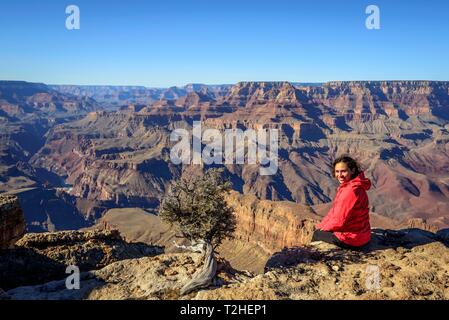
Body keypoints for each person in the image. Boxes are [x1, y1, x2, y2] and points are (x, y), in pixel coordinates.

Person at [313, 155, 372, 249]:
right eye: (337, 171)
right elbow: (334, 212)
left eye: (343, 171)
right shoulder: (353, 185)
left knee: (317, 234)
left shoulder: (350, 190)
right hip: (362, 234)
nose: (339, 175)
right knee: (322, 230)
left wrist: (323, 228)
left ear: (352, 170)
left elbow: (339, 221)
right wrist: (322, 224)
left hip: (353, 239)